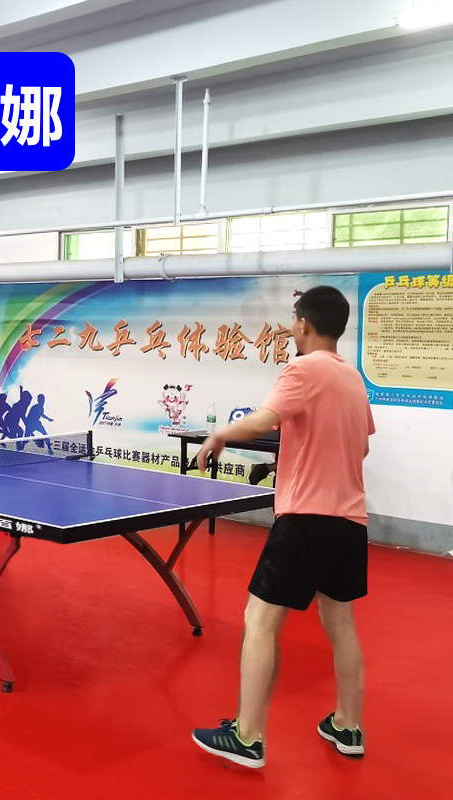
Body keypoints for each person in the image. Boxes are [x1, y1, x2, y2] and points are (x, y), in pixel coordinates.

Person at [191, 286, 375, 769]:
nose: (291, 327)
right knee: (341, 625)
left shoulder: (303, 368)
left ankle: (247, 736)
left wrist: (219, 434)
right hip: (350, 523)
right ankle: (348, 726)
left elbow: (264, 421)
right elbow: (359, 447)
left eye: (294, 320)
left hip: (305, 520)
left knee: (259, 621)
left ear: (304, 324)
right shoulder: (353, 379)